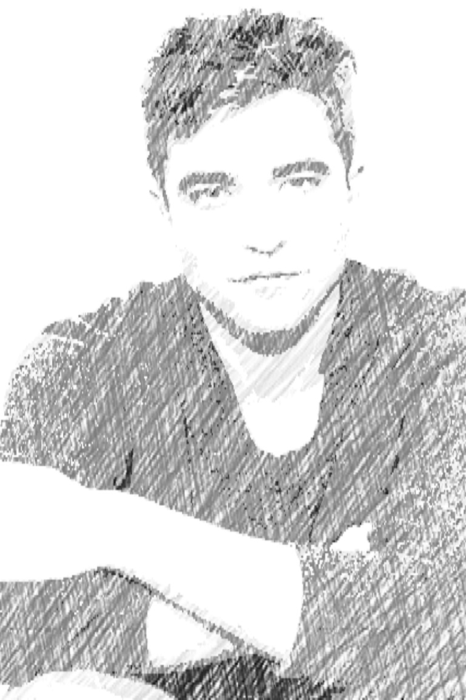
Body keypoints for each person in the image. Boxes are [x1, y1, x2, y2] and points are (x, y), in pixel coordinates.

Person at [1, 9, 466, 699]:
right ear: (162, 209)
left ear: (353, 187)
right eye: (213, 193)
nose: (263, 233)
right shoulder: (81, 366)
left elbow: (440, 622)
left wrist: (111, 523)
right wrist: (337, 595)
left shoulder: (440, 344)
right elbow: (11, 627)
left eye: (299, 180)